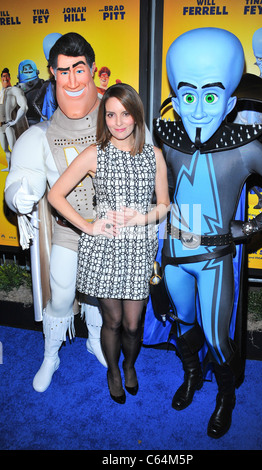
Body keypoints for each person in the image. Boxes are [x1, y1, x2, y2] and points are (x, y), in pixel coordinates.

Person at [152, 27, 262, 438]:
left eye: (210, 96)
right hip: (175, 254)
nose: (198, 109)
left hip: (215, 258)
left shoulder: (244, 147)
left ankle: (225, 396)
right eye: (189, 97)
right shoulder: (170, 138)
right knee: (181, 323)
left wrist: (249, 228)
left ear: (229, 101)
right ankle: (193, 376)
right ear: (177, 101)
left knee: (217, 338)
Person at [48, 83, 170, 404]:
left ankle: (130, 365)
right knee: (112, 321)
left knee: (133, 324)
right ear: (104, 117)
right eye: (111, 114)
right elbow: (55, 195)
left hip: (139, 249)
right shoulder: (94, 153)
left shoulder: (154, 156)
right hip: (103, 249)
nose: (118, 122)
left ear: (136, 115)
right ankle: (114, 370)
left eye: (125, 114)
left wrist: (139, 218)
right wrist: (88, 225)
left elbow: (164, 205)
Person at [5, 33, 107, 393]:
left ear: (93, 70)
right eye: (64, 71)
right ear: (52, 74)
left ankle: (96, 340)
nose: (73, 80)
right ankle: (51, 353)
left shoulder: (118, 121)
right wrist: (21, 196)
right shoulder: (40, 135)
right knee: (62, 293)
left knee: (99, 292)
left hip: (108, 230)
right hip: (68, 229)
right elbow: (19, 180)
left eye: (80, 69)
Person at [0, 67, 28, 171]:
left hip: (8, 124)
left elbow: (24, 106)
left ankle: (20, 167)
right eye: (3, 76)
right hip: (0, 126)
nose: (5, 78)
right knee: (5, 149)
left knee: (14, 147)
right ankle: (10, 166)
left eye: (6, 76)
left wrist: (15, 121)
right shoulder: (1, 93)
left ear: (10, 77)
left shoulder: (14, 90)